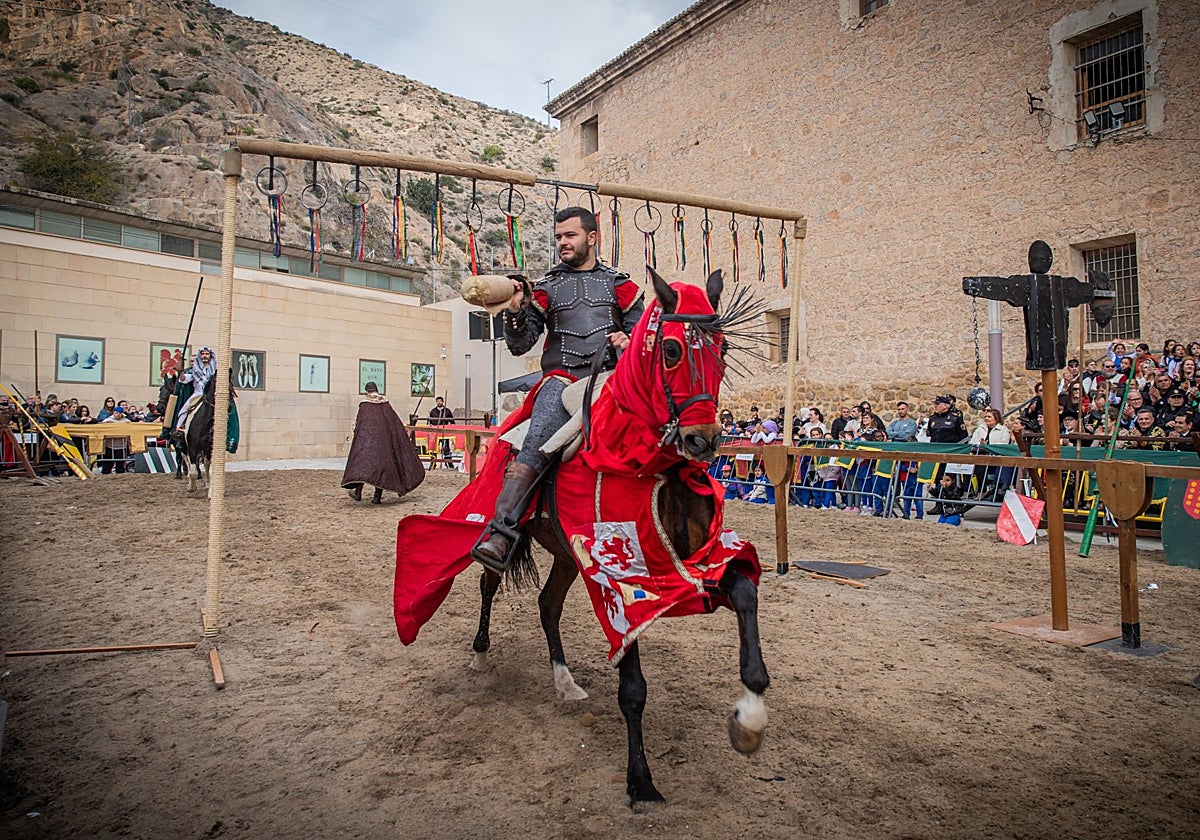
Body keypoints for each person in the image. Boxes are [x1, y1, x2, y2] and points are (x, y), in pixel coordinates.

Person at [472, 206, 645, 571]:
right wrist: (517, 310)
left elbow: (642, 332)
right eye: (559, 237)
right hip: (561, 381)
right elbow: (521, 344)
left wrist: (628, 338)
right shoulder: (546, 288)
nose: (563, 243)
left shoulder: (620, 285)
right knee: (538, 439)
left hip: (611, 381)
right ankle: (501, 532)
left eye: (570, 235)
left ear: (592, 238)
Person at [341, 382, 426, 504]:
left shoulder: (364, 405)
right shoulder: (385, 405)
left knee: (361, 466)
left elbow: (360, 425)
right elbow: (394, 425)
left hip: (367, 445)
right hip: (383, 445)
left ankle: (358, 493)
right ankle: (377, 497)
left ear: (366, 392)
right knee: (382, 469)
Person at [172, 346, 217, 438]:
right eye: (203, 354)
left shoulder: (216, 370)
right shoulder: (194, 370)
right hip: (199, 394)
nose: (205, 356)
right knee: (184, 410)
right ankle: (179, 429)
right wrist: (180, 372)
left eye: (207, 354)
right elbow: (184, 379)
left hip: (214, 395)